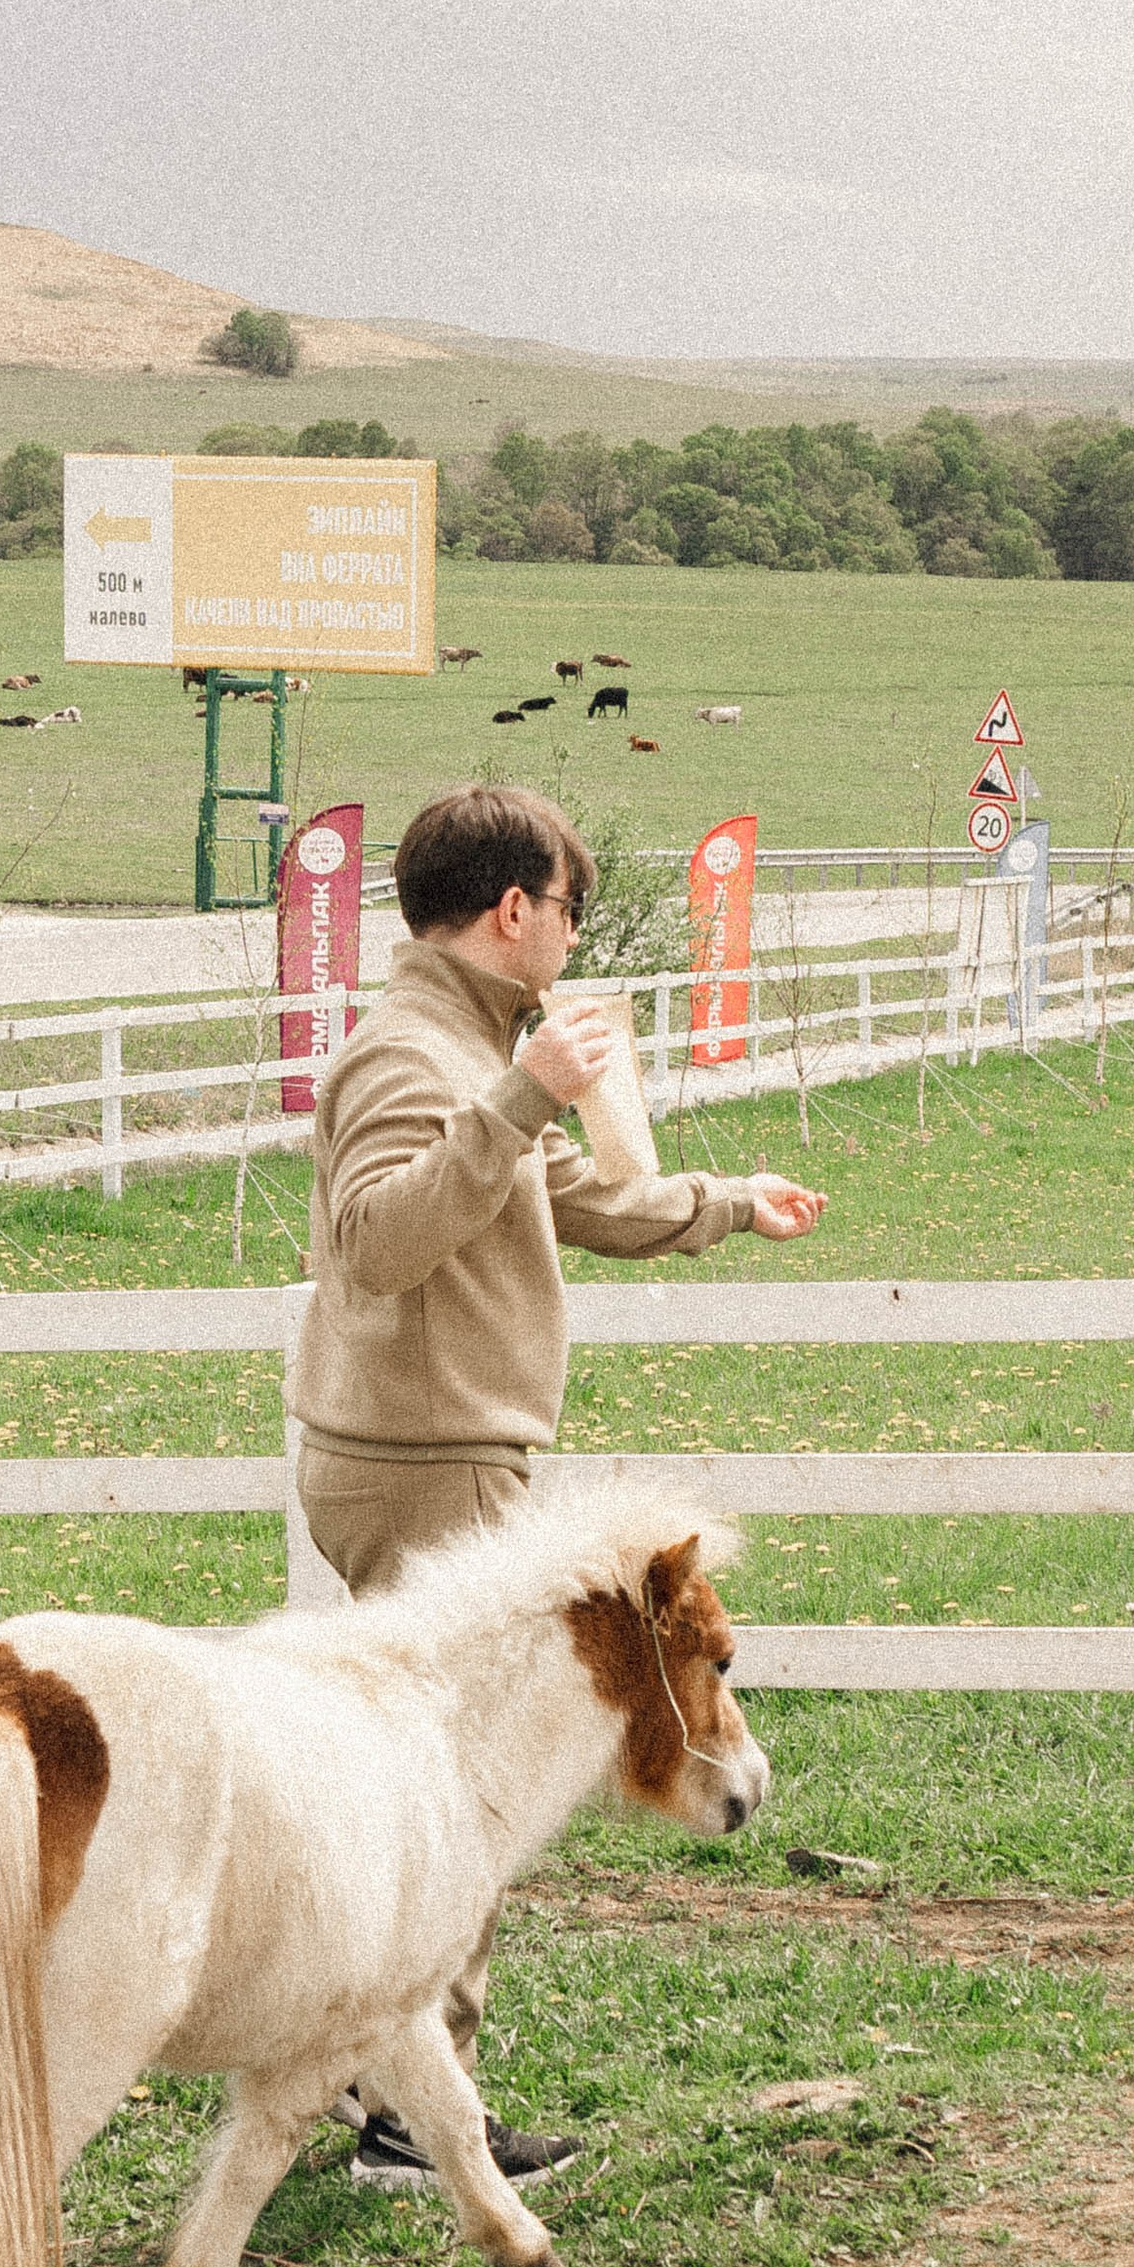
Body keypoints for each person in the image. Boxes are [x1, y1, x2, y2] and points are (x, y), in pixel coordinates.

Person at [289, 779, 825, 2194]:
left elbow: (533, 1192)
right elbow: (380, 1242)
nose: (575, 945)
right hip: (430, 1468)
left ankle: (371, 2078)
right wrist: (532, 1093)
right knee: (458, 1801)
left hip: (434, 1454)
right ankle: (414, 2119)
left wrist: (718, 1203)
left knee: (428, 1789)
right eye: (569, 915)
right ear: (514, 910)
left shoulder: (463, 1048)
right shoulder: (414, 1059)